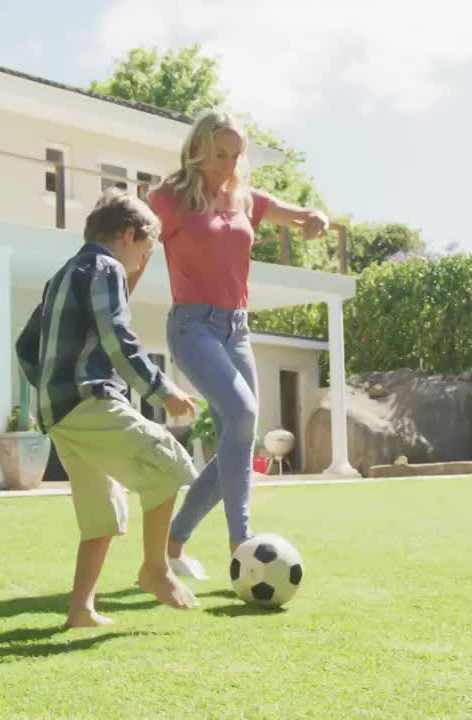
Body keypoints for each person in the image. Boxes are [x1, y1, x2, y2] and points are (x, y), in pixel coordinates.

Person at [147, 110, 330, 579]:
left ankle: (174, 541)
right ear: (199, 150)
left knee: (241, 443)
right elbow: (130, 234)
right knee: (243, 416)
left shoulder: (245, 199)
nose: (228, 164)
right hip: (193, 328)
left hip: (236, 330)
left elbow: (299, 215)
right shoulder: (169, 198)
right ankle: (240, 540)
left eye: (235, 155)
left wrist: (315, 219)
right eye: (219, 154)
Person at [17, 187, 202, 627]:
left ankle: (80, 610)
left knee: (100, 512)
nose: (142, 263)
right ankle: (155, 569)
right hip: (88, 397)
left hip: (59, 412)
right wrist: (163, 390)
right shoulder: (106, 266)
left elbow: (27, 346)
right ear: (127, 235)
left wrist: (46, 390)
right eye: (145, 249)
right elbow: (116, 336)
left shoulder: (63, 275)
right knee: (166, 459)